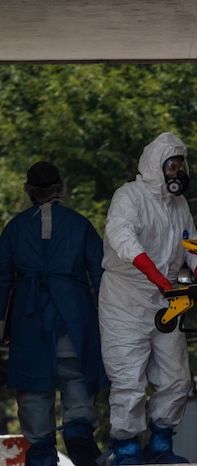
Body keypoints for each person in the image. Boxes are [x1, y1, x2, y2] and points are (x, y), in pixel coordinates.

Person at [98, 132, 197, 465]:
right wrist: (158, 278)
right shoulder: (129, 197)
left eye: (180, 165)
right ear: (155, 166)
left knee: (175, 377)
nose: (176, 172)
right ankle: (126, 448)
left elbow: (193, 247)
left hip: (166, 301)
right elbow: (122, 238)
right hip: (126, 300)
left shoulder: (179, 205)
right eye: (171, 165)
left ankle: (161, 445)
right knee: (128, 377)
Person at [0, 162, 107, 466]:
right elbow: (101, 275)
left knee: (34, 390)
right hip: (74, 317)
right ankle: (80, 440)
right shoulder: (80, 224)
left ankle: (42, 456)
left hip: (29, 320)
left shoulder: (14, 229)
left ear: (28, 191)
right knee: (76, 378)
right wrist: (107, 321)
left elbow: (2, 280)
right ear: (60, 188)